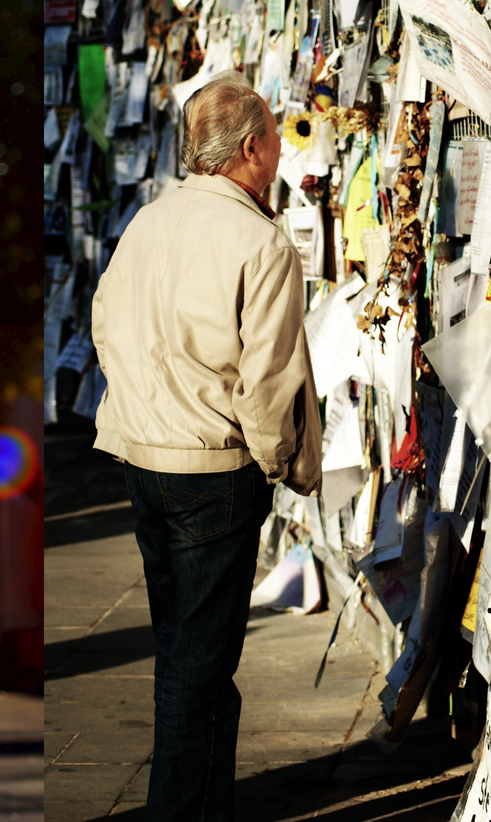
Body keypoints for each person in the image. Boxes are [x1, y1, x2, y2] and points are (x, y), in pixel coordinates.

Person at [91, 71, 323, 822]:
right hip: (214, 471)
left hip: (145, 459)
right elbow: (267, 386)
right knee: (199, 669)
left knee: (185, 656)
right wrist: (274, 463)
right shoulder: (260, 243)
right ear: (252, 148)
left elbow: (104, 325)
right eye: (277, 142)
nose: (280, 156)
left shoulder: (148, 224)